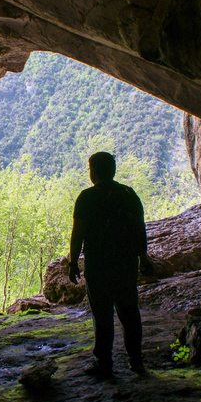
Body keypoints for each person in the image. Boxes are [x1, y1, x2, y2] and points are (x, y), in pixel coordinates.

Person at [69, 151, 147, 378]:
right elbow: (139, 229)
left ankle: (103, 363)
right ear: (112, 170)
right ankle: (136, 361)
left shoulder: (86, 197)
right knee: (130, 312)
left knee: (102, 314)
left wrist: (74, 263)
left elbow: (78, 234)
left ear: (94, 171)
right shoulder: (128, 194)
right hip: (125, 262)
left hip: (98, 263)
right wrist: (144, 257)